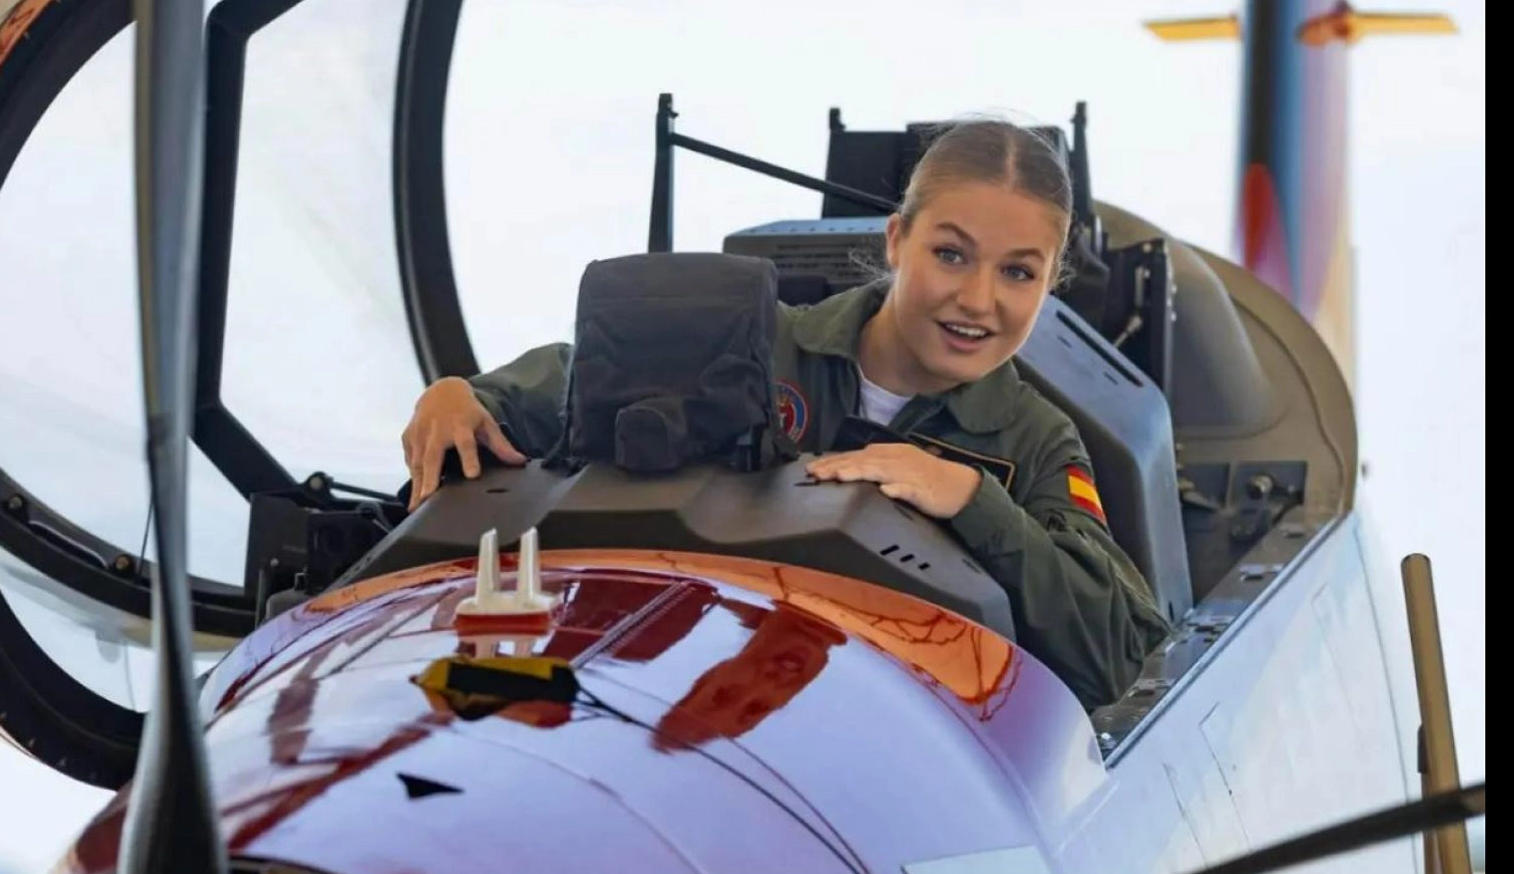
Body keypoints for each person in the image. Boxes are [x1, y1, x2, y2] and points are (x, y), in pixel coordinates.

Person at [399, 118, 1172, 710]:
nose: (977, 299)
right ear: (897, 239)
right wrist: (461, 395)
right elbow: (563, 388)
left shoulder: (1034, 440)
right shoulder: (750, 344)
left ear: (1050, 285)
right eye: (951, 253)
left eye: (1018, 272)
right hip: (691, 687)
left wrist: (970, 499)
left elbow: (1110, 650)